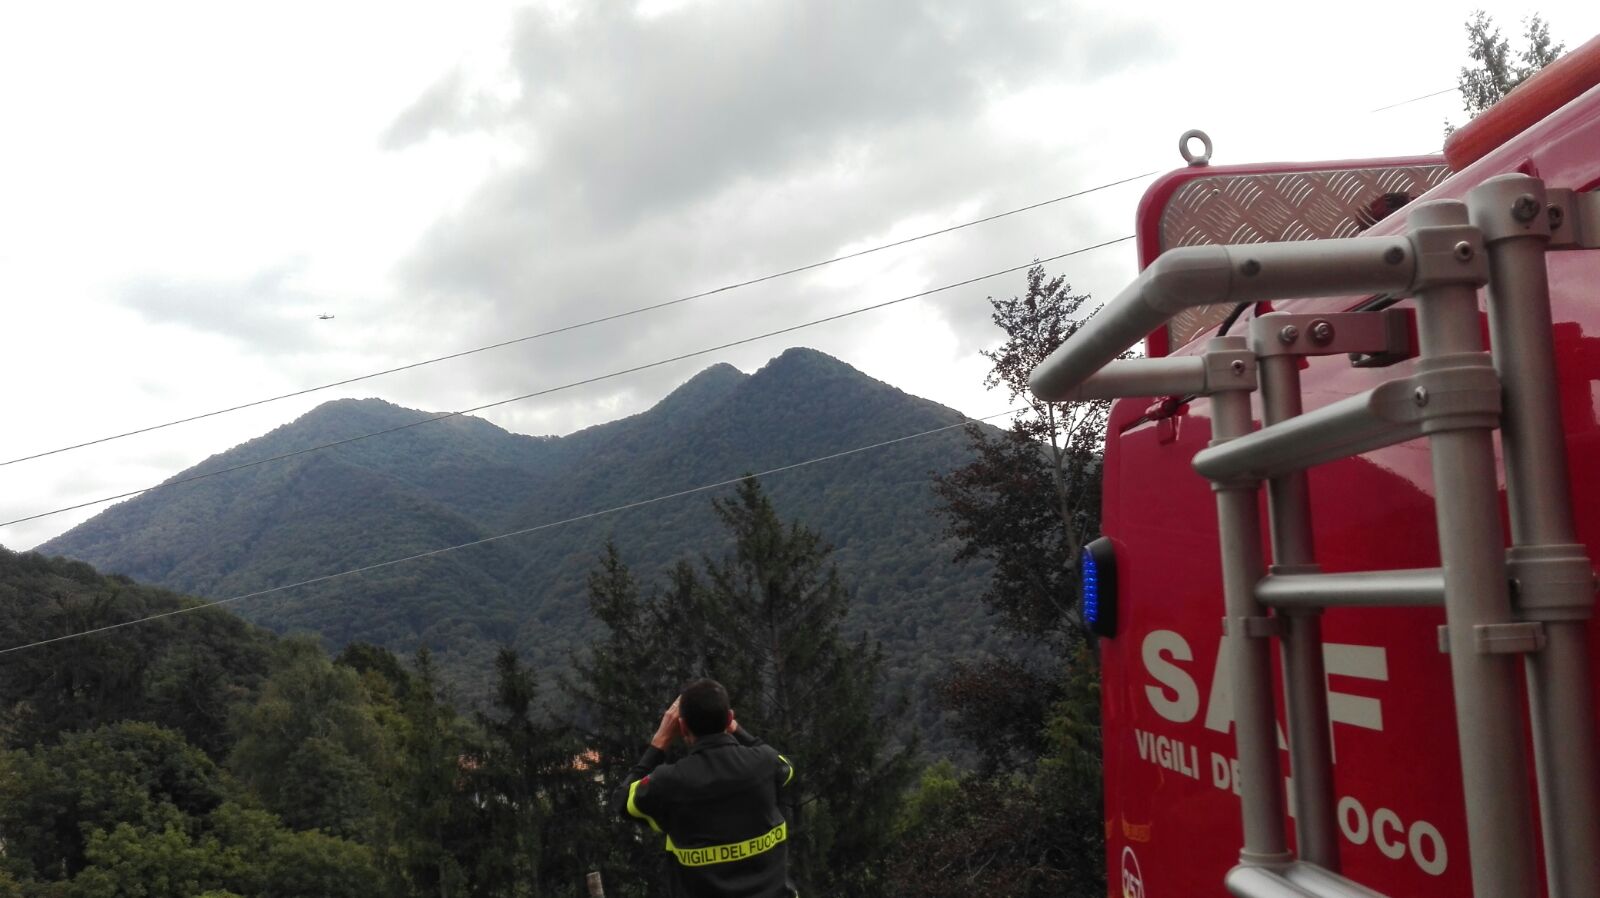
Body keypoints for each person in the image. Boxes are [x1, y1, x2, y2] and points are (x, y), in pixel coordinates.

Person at [613, 679, 797, 898]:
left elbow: (622, 800)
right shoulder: (764, 763)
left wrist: (659, 742)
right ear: (729, 718)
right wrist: (737, 730)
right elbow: (786, 767)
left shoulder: (669, 782)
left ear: (682, 727)